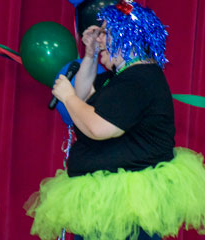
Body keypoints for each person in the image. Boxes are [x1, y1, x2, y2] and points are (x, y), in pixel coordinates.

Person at [25, 1, 205, 240]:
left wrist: (66, 97)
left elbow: (98, 127)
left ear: (126, 36)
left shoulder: (138, 80)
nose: (99, 38)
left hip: (122, 206)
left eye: (105, 32)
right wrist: (89, 55)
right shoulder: (120, 78)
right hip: (107, 203)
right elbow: (83, 95)